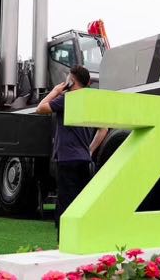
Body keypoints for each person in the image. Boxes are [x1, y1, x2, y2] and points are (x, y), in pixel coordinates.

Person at [36, 65, 107, 236]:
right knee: (81, 203)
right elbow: (103, 129)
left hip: (67, 159)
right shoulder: (90, 100)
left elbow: (40, 108)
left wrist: (55, 91)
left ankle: (64, 240)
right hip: (84, 159)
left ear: (71, 81)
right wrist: (90, 150)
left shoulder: (67, 98)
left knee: (65, 202)